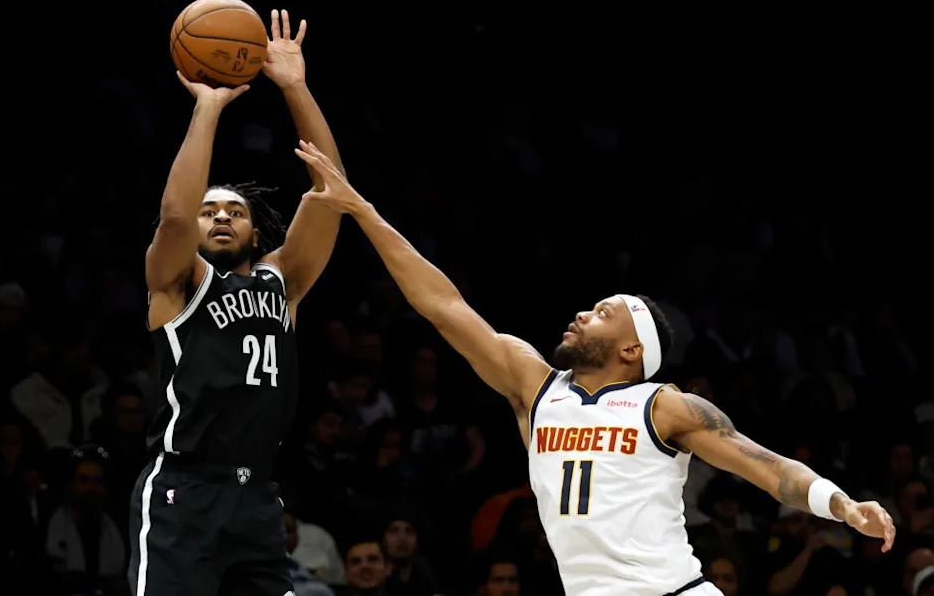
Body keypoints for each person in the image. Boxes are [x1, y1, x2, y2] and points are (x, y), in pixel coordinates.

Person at [293, 145, 897, 596]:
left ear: (633, 351)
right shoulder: (534, 385)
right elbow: (443, 305)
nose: (582, 313)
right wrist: (364, 212)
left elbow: (767, 468)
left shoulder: (664, 406)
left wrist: (842, 505)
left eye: (603, 313)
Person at [129, 9, 346, 596]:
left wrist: (295, 87)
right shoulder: (176, 285)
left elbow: (332, 193)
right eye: (211, 210)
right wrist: (208, 106)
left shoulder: (285, 282)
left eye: (236, 211)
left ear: (256, 234)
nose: (221, 214)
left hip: (257, 497)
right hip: (183, 492)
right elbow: (175, 214)